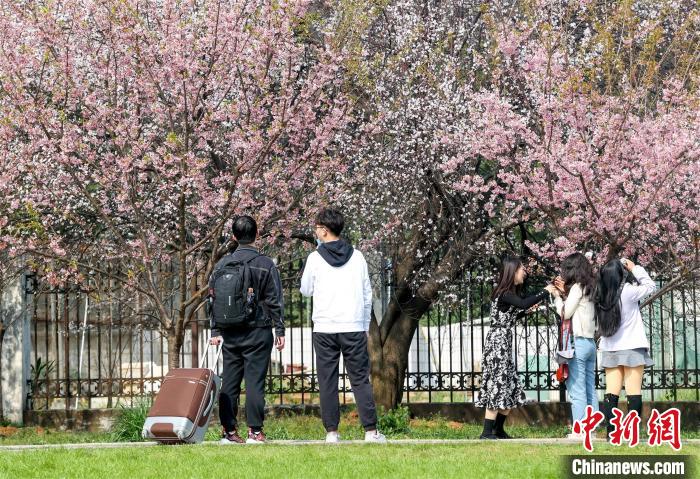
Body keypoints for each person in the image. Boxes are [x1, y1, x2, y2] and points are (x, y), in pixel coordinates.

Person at [300, 207, 386, 443]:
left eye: (317, 227)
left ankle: (332, 433)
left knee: (327, 380)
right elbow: (367, 293)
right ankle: (370, 431)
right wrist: (363, 322)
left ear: (324, 231)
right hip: (353, 325)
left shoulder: (315, 258)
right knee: (359, 378)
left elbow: (305, 290)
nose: (315, 230)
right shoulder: (357, 256)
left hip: (325, 326)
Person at [209, 215, 285, 444]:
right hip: (258, 331)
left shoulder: (222, 264)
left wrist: (214, 331)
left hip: (230, 332)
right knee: (254, 382)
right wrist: (279, 330)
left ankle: (229, 432)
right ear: (257, 234)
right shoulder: (265, 264)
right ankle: (255, 431)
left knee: (229, 381)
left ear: (234, 236)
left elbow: (212, 299)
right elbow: (274, 300)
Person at [476, 256, 558, 439]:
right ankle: (487, 432)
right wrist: (545, 291)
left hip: (502, 343)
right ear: (512, 272)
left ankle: (498, 429)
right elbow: (522, 303)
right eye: (521, 269)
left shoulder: (505, 294)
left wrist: (527, 311)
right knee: (497, 383)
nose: (524, 272)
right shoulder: (504, 293)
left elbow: (513, 314)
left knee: (508, 384)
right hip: (498, 344)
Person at [596, 258, 656, 439]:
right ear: (620, 275)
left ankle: (611, 433)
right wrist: (634, 267)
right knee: (633, 392)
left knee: (611, 393)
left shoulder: (599, 295)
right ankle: (632, 433)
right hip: (632, 347)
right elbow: (650, 285)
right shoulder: (628, 292)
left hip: (610, 348)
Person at [549, 252, 599, 439]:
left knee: (577, 390)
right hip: (590, 344)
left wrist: (556, 296)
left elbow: (566, 313)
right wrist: (564, 293)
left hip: (577, 344)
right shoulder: (590, 287)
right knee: (589, 389)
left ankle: (580, 431)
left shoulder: (577, 288)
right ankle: (591, 430)